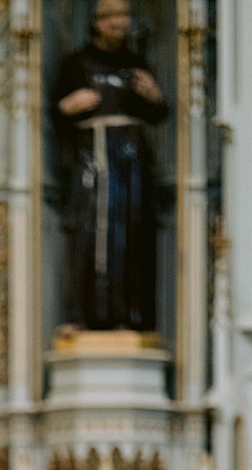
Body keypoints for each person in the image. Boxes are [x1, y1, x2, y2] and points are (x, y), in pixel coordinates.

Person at [52, 0, 168, 334]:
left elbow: (158, 115)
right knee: (89, 232)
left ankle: (127, 316)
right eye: (113, 16)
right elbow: (56, 115)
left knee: (128, 235)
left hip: (129, 160)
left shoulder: (135, 64)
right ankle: (82, 315)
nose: (120, 22)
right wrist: (67, 106)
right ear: (97, 22)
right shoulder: (77, 64)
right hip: (93, 156)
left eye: (125, 16)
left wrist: (154, 96)